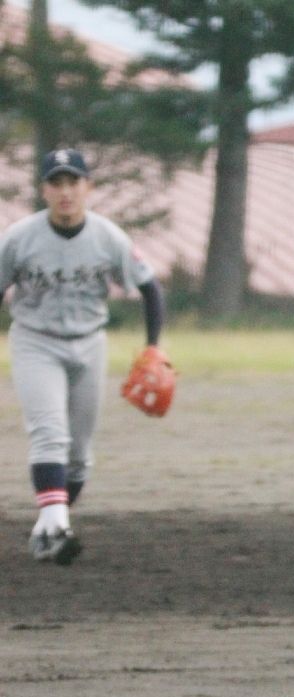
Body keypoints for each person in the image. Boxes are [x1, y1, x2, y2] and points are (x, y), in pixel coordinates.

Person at [1, 148, 167, 565]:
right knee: (49, 433)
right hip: (35, 341)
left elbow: (150, 289)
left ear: (87, 187)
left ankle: (47, 528)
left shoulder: (108, 236)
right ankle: (58, 527)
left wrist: (153, 346)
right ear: (43, 190)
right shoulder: (19, 238)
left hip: (89, 343)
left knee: (79, 457)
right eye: (56, 182)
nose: (65, 191)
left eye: (73, 181)